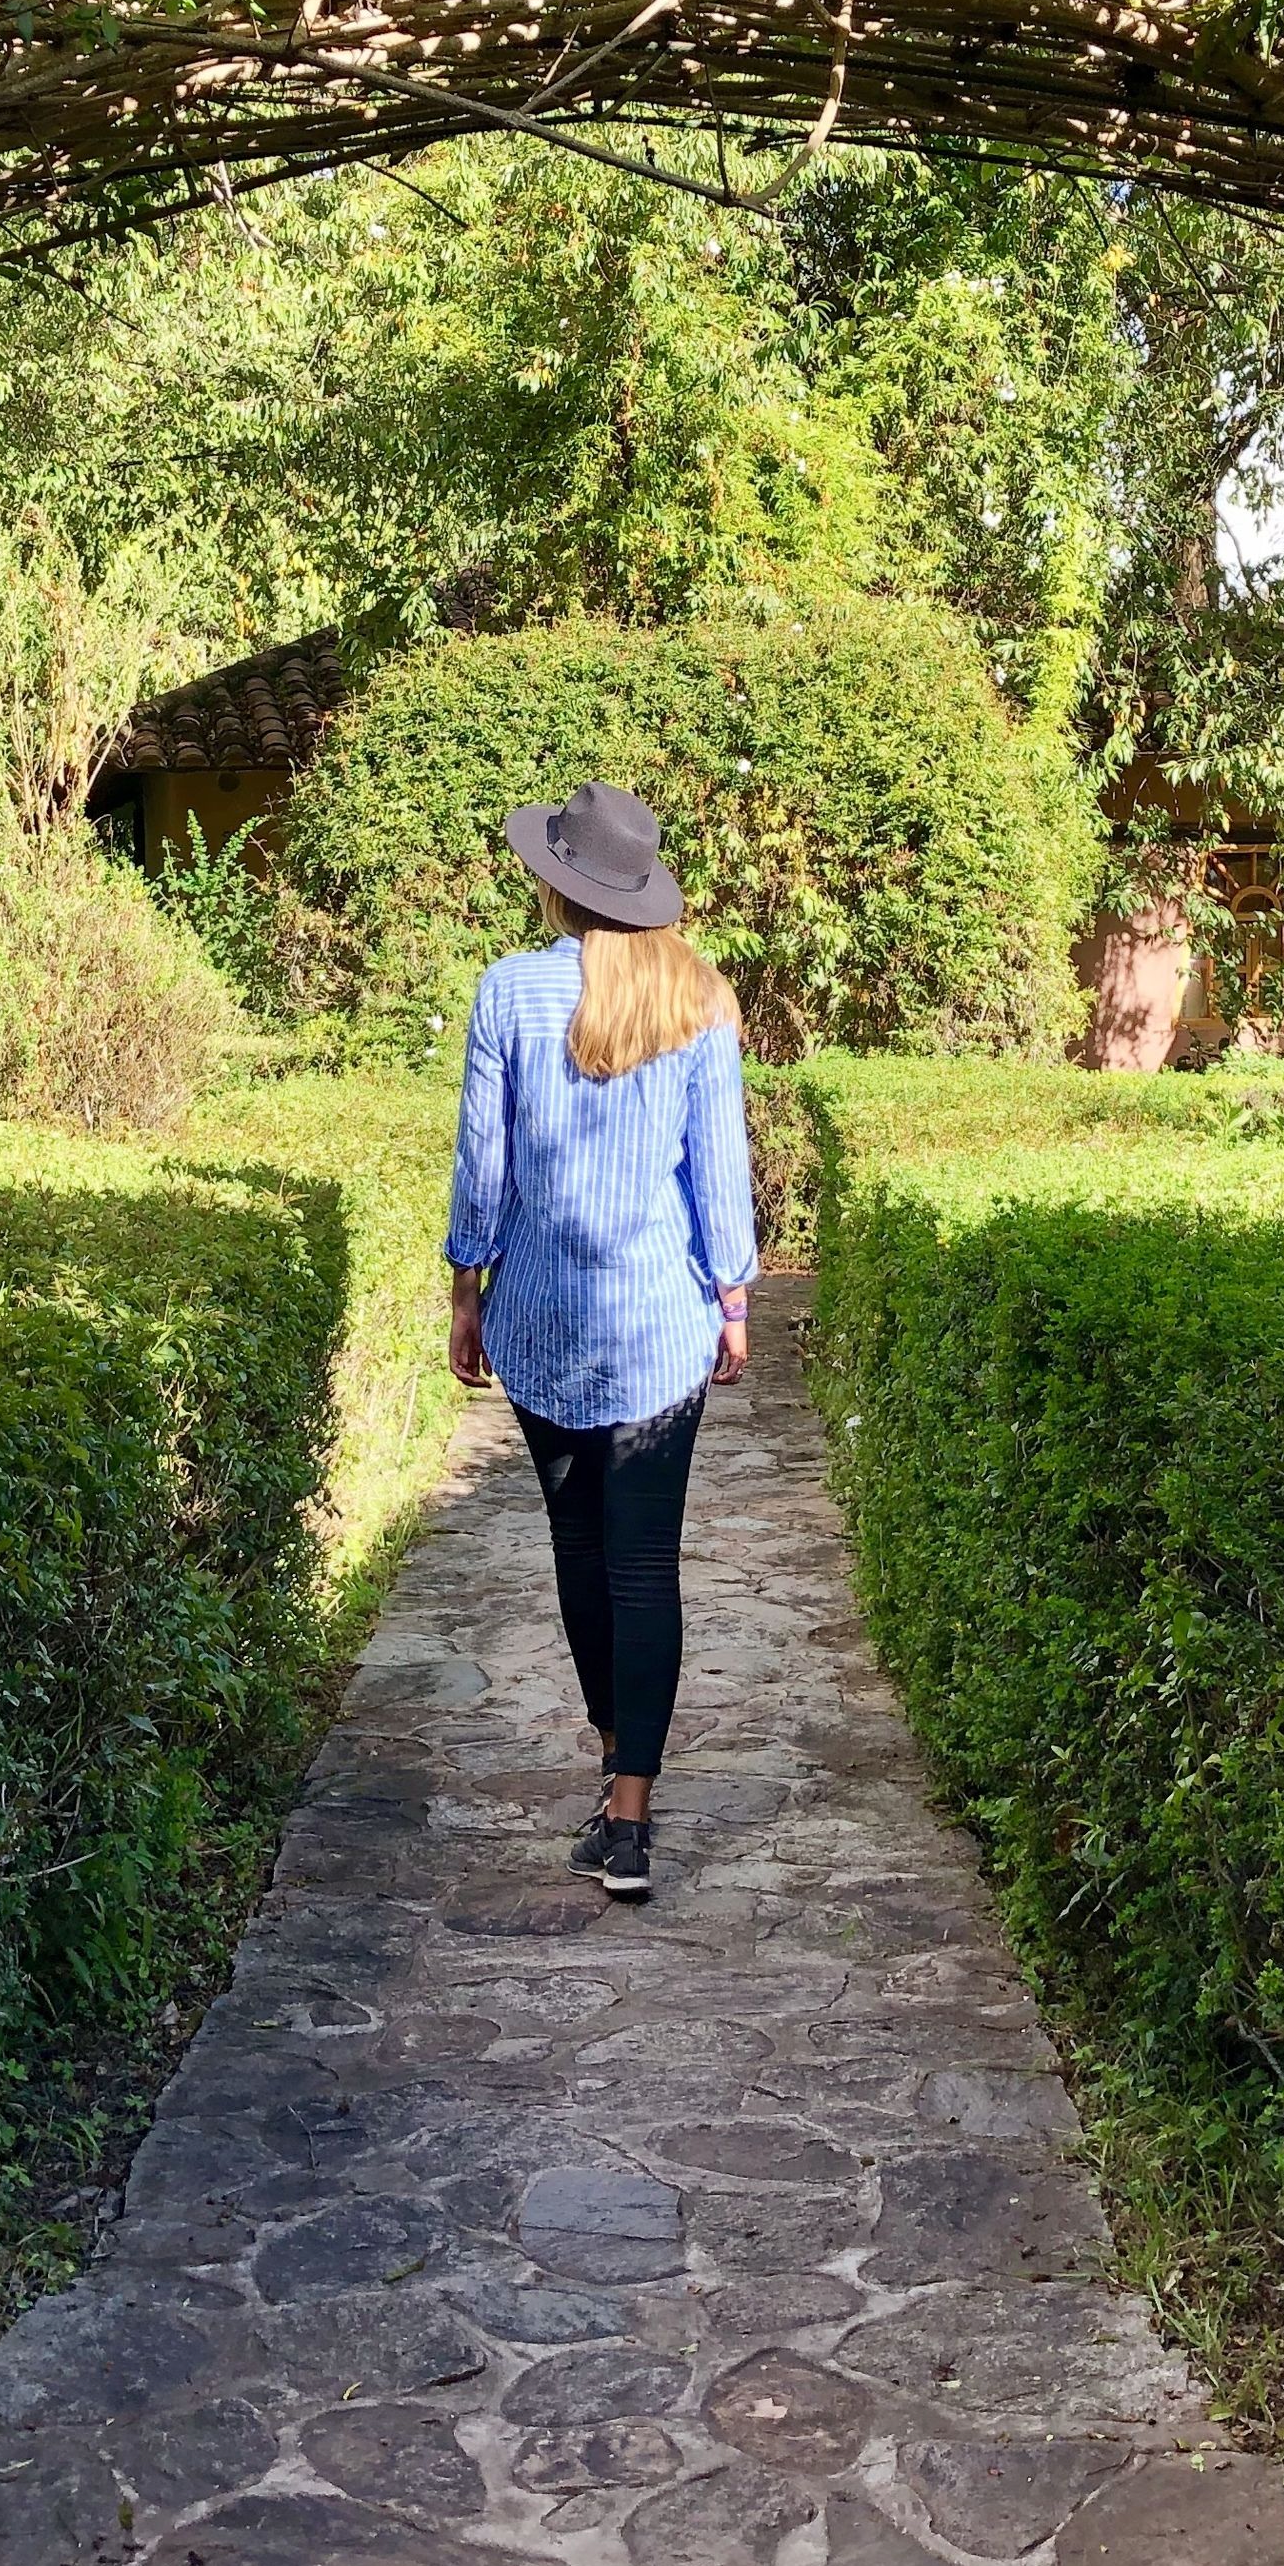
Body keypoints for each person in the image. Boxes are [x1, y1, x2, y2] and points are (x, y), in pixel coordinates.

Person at [444, 782, 759, 1902]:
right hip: (661, 1328)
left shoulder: (507, 991)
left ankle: (614, 1758)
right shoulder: (699, 998)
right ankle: (630, 1816)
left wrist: (466, 1287)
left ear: (558, 883)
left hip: (541, 1318)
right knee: (644, 1566)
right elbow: (719, 1169)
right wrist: (732, 1298)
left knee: (579, 1554)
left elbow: (484, 1164)